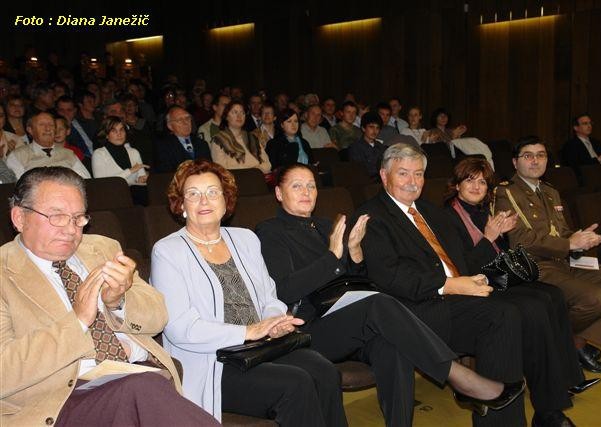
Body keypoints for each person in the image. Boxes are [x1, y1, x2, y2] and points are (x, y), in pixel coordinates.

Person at [255, 162, 524, 427]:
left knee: (393, 346)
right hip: (308, 326)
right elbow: (286, 289)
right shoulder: (270, 232)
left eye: (311, 186)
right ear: (279, 194)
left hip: (349, 318)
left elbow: (354, 279)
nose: (306, 192)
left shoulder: (326, 226)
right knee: (378, 303)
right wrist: (334, 257)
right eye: (297, 186)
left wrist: (355, 251)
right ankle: (457, 376)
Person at [1, 166, 218, 426]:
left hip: (134, 373)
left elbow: (159, 316)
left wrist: (118, 302)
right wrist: (78, 321)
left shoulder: (102, 248)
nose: (71, 230)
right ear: (19, 218)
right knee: (141, 389)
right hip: (55, 399)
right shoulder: (5, 275)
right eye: (57, 217)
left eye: (78, 217)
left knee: (142, 387)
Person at [151, 160, 347, 426]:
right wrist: (247, 332)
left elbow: (269, 296)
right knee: (296, 384)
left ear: (225, 200)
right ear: (181, 205)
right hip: (214, 361)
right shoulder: (168, 251)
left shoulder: (245, 239)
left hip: (261, 347)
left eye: (212, 191)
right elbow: (179, 328)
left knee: (325, 371)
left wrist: (275, 321)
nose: (204, 200)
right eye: (193, 194)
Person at [357, 143, 530, 427]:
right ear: (384, 174)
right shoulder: (372, 216)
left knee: (514, 308)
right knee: (501, 315)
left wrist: (478, 276)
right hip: (413, 310)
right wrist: (450, 285)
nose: (413, 182)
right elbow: (390, 277)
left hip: (452, 296)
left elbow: (462, 261)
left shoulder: (430, 211)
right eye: (403, 174)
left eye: (419, 174)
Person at [444, 158, 601, 415]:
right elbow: (462, 268)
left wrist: (503, 235)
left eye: (482, 182)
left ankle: (566, 379)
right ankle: (551, 399)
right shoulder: (448, 217)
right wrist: (489, 238)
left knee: (553, 295)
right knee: (535, 307)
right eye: (469, 180)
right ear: (457, 185)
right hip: (475, 284)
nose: (476, 186)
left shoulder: (486, 211)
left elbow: (501, 256)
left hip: (498, 277)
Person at [494, 136, 601, 374]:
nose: (535, 161)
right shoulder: (507, 193)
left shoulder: (550, 191)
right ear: (515, 162)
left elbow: (562, 232)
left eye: (541, 155)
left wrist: (582, 238)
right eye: (528, 156)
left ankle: (575, 343)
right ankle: (561, 345)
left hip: (565, 262)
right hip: (536, 267)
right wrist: (569, 244)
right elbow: (520, 240)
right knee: (596, 298)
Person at [6, 112, 91, 179]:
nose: (47, 129)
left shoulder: (69, 154)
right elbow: (19, 188)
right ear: (30, 130)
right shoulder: (17, 156)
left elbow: (86, 180)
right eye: (42, 125)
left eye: (51, 125)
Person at [212, 101, 271, 173]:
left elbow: (267, 165)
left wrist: (254, 170)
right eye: (235, 112)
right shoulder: (219, 140)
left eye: (242, 113)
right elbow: (221, 169)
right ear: (226, 116)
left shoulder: (252, 138)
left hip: (257, 178)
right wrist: (252, 170)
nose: (239, 116)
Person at [92, 116, 149, 185]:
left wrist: (141, 180)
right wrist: (130, 171)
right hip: (110, 195)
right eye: (114, 131)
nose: (119, 134)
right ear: (106, 135)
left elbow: (141, 181)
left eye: (121, 130)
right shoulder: (99, 154)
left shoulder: (134, 152)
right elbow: (102, 184)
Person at [154, 105, 211, 173]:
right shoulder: (163, 146)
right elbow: (165, 173)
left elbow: (210, 169)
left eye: (187, 118)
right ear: (170, 126)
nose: (185, 123)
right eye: (180, 120)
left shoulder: (202, 144)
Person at [561, 113, 601, 180]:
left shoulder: (596, 142)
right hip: (586, 178)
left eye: (590, 123)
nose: (589, 126)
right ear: (576, 128)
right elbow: (578, 167)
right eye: (585, 123)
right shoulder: (571, 145)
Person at [348, 111, 387, 180]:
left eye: (377, 128)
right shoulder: (355, 147)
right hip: (365, 182)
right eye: (371, 127)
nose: (375, 131)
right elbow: (360, 171)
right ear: (363, 128)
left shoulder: (381, 147)